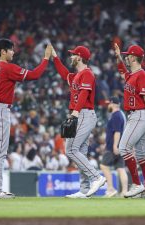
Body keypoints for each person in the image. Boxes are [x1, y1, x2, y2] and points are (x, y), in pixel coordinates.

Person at [0, 38, 52, 198]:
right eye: (10, 49)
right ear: (3, 52)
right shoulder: (7, 67)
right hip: (0, 110)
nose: (13, 52)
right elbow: (34, 75)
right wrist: (46, 58)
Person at [52, 45, 106, 198]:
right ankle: (84, 189)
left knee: (70, 149)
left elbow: (84, 94)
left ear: (80, 57)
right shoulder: (77, 75)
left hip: (84, 114)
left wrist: (75, 112)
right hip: (80, 114)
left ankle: (97, 177)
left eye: (73, 55)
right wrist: (55, 57)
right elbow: (64, 74)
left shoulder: (87, 73)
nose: (71, 57)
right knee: (80, 152)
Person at [114, 44, 145, 198]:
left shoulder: (142, 75)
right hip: (136, 115)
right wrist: (118, 57)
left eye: (127, 55)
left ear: (133, 57)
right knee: (141, 153)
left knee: (124, 147)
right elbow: (122, 71)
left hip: (139, 114)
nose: (126, 57)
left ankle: (137, 184)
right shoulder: (132, 75)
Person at [100, 96, 128, 197]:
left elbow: (117, 132)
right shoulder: (121, 114)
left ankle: (110, 189)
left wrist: (115, 146)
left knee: (103, 166)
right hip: (120, 145)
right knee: (120, 168)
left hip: (113, 146)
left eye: (109, 103)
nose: (108, 105)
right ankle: (124, 191)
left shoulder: (116, 115)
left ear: (113, 104)